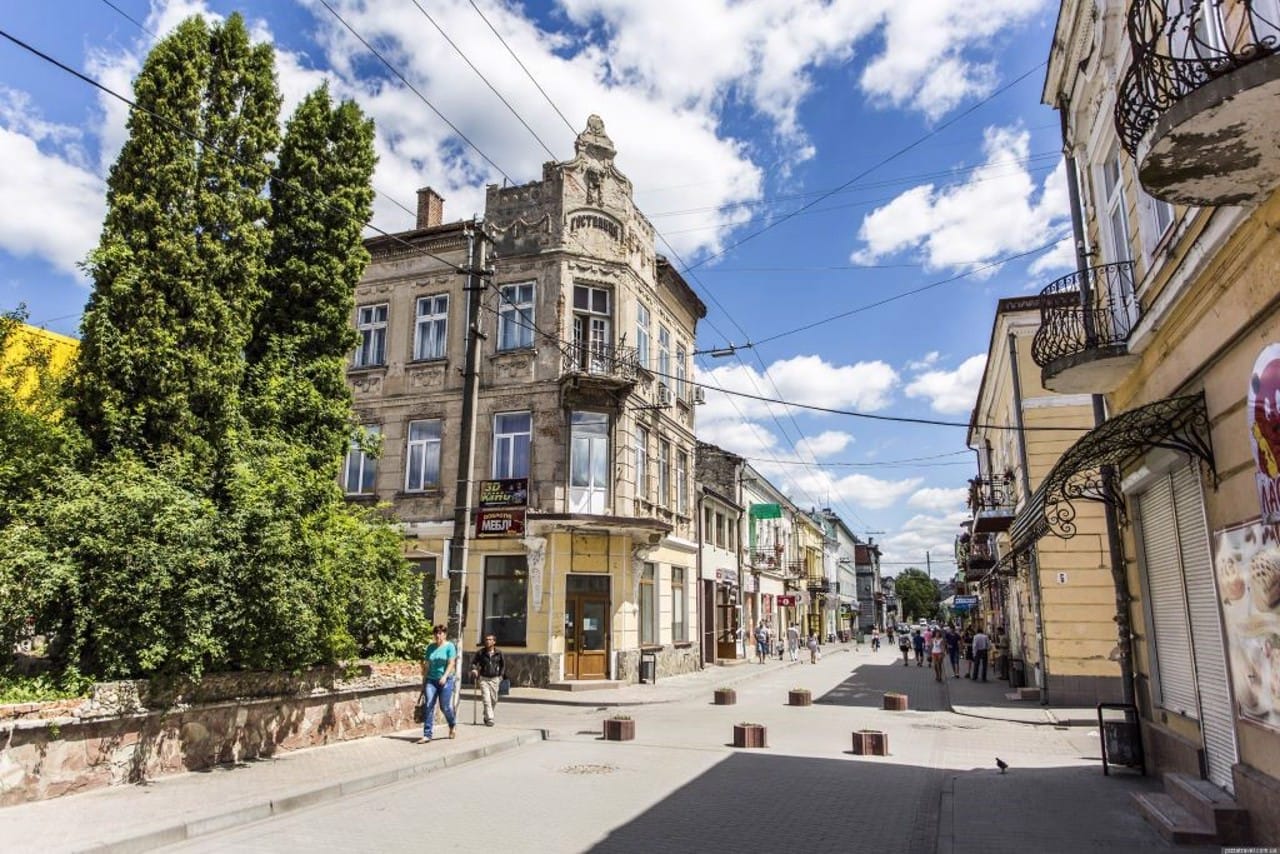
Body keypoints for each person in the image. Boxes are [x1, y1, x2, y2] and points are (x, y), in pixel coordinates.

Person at [418, 625, 457, 743]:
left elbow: (451, 663)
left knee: (444, 706)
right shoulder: (430, 647)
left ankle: (452, 724)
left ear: (445, 634)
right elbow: (427, 665)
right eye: (436, 633)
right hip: (431, 680)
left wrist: (444, 677)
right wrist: (424, 682)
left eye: (440, 633)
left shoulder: (450, 646)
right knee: (429, 704)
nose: (438, 636)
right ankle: (427, 734)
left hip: (446, 679)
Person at [470, 632, 506, 727]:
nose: (488, 641)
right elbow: (474, 662)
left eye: (490, 640)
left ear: (494, 642)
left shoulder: (499, 653)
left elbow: (503, 665)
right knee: (486, 699)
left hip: (495, 679)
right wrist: (474, 669)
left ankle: (486, 715)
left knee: (494, 699)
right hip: (483, 678)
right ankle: (490, 718)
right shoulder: (481, 652)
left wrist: (501, 676)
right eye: (486, 640)